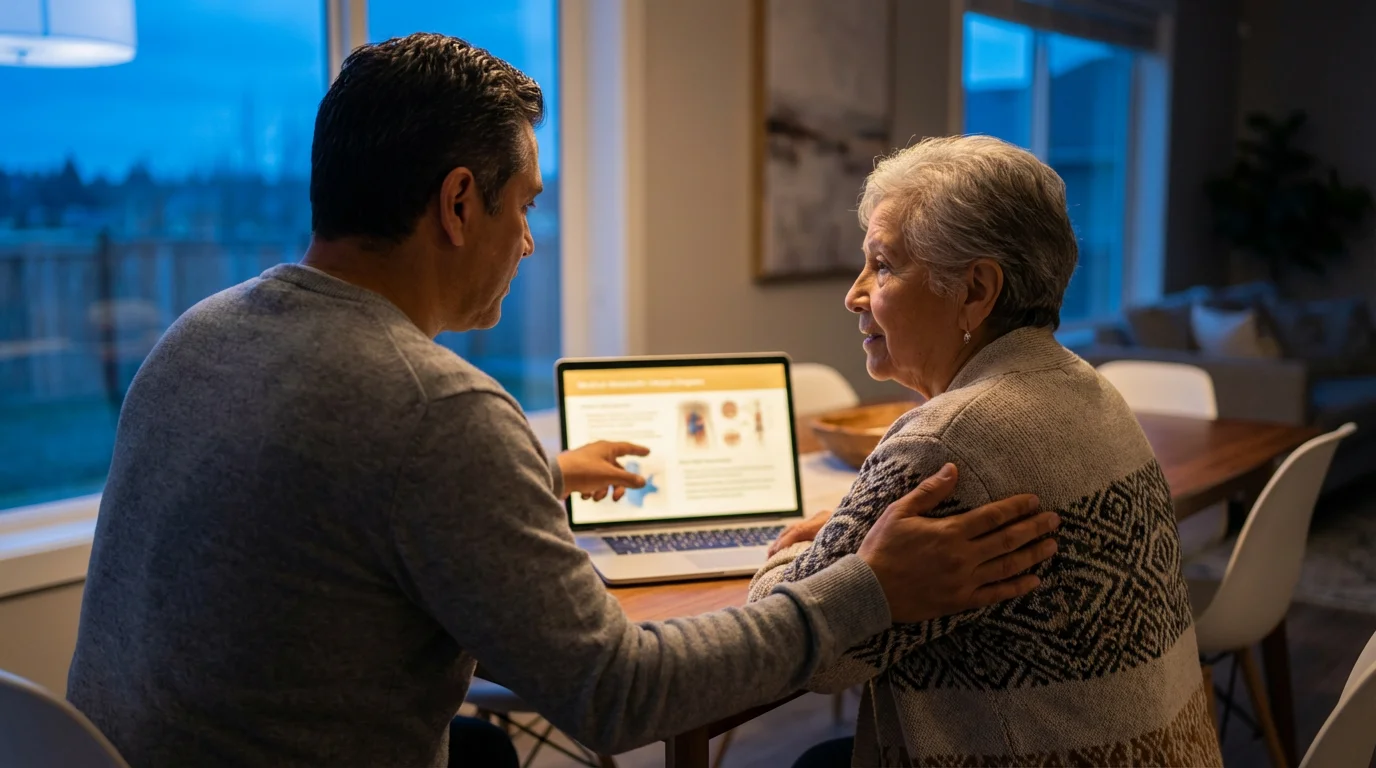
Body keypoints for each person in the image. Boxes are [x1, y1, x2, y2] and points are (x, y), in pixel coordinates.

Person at [64, 36, 1061, 768]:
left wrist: (532, 475)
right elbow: (619, 695)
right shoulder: (435, 409)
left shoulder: (198, 333)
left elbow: (329, 487)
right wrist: (870, 587)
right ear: (460, 203)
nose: (529, 239)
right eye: (526, 203)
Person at [752, 136, 1224, 767]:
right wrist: (848, 534)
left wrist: (801, 552)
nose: (855, 294)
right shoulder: (1086, 385)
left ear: (975, 290)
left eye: (883, 266)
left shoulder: (945, 442)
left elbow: (795, 652)